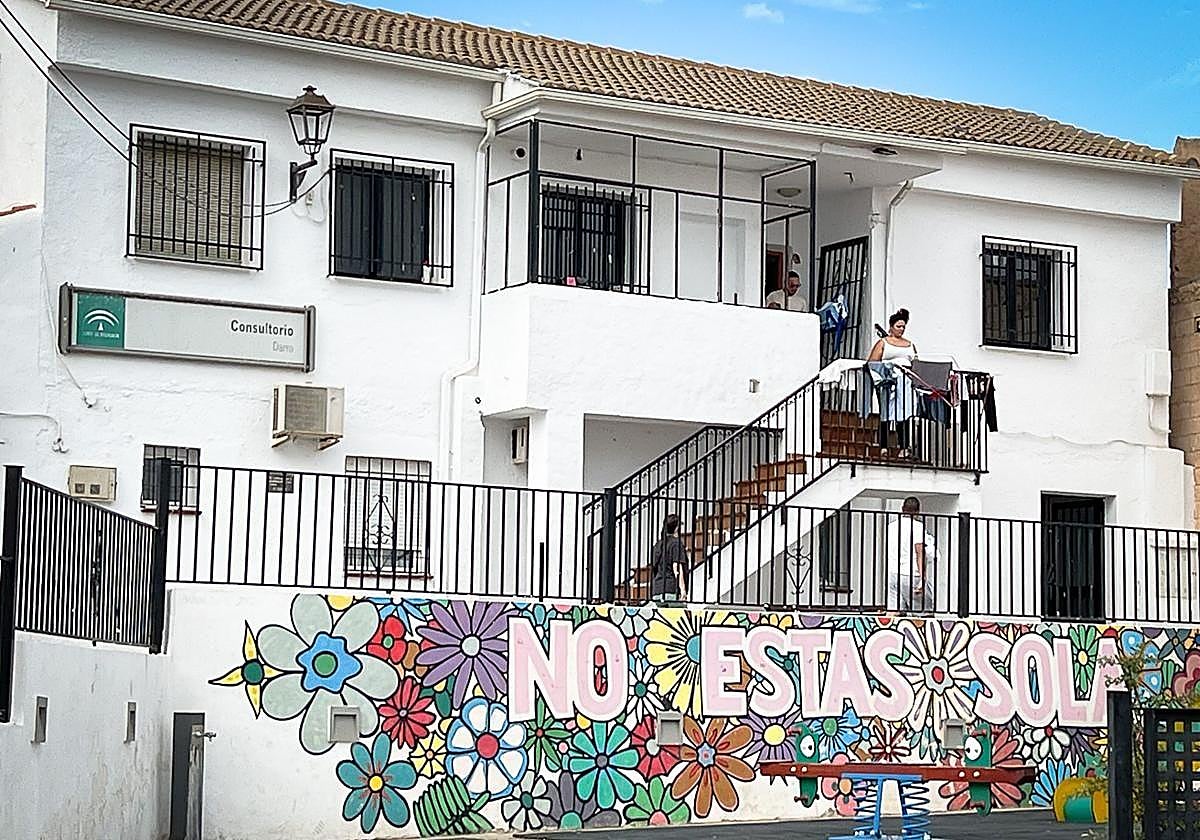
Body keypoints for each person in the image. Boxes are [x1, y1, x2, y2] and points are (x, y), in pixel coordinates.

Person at [867, 308, 918, 457]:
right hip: (888, 381)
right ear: (891, 326)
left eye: (903, 327)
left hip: (906, 382)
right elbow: (873, 362)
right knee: (885, 412)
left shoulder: (909, 344)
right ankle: (883, 445)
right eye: (898, 326)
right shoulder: (883, 342)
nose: (901, 329)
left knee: (905, 412)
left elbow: (915, 362)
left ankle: (904, 447)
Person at [885, 496, 935, 613]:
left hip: (893, 573)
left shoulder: (891, 526)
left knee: (894, 611)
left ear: (902, 509)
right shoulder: (917, 527)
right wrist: (922, 579)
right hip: (911, 574)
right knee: (923, 611)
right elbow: (919, 552)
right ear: (918, 511)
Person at [649, 514, 688, 602]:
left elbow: (654, 567)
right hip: (670, 587)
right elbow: (677, 568)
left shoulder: (658, 545)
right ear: (677, 528)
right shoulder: (676, 544)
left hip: (657, 588)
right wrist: (683, 589)